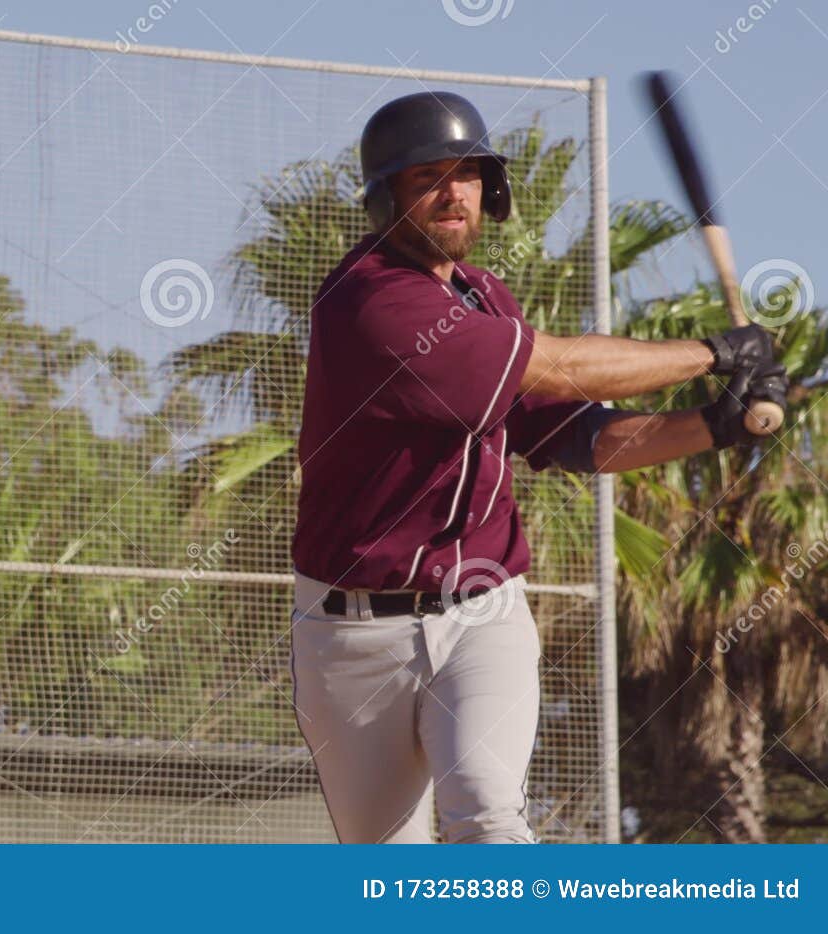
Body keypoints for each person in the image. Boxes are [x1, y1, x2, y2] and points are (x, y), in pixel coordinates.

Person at [289, 91, 788, 844]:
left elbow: (580, 438)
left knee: (489, 813)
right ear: (385, 195)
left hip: (481, 611)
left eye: (469, 174)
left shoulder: (486, 296)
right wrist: (715, 354)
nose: (454, 192)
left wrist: (715, 426)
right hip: (350, 634)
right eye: (428, 175)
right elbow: (549, 366)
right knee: (383, 872)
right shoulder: (371, 303)